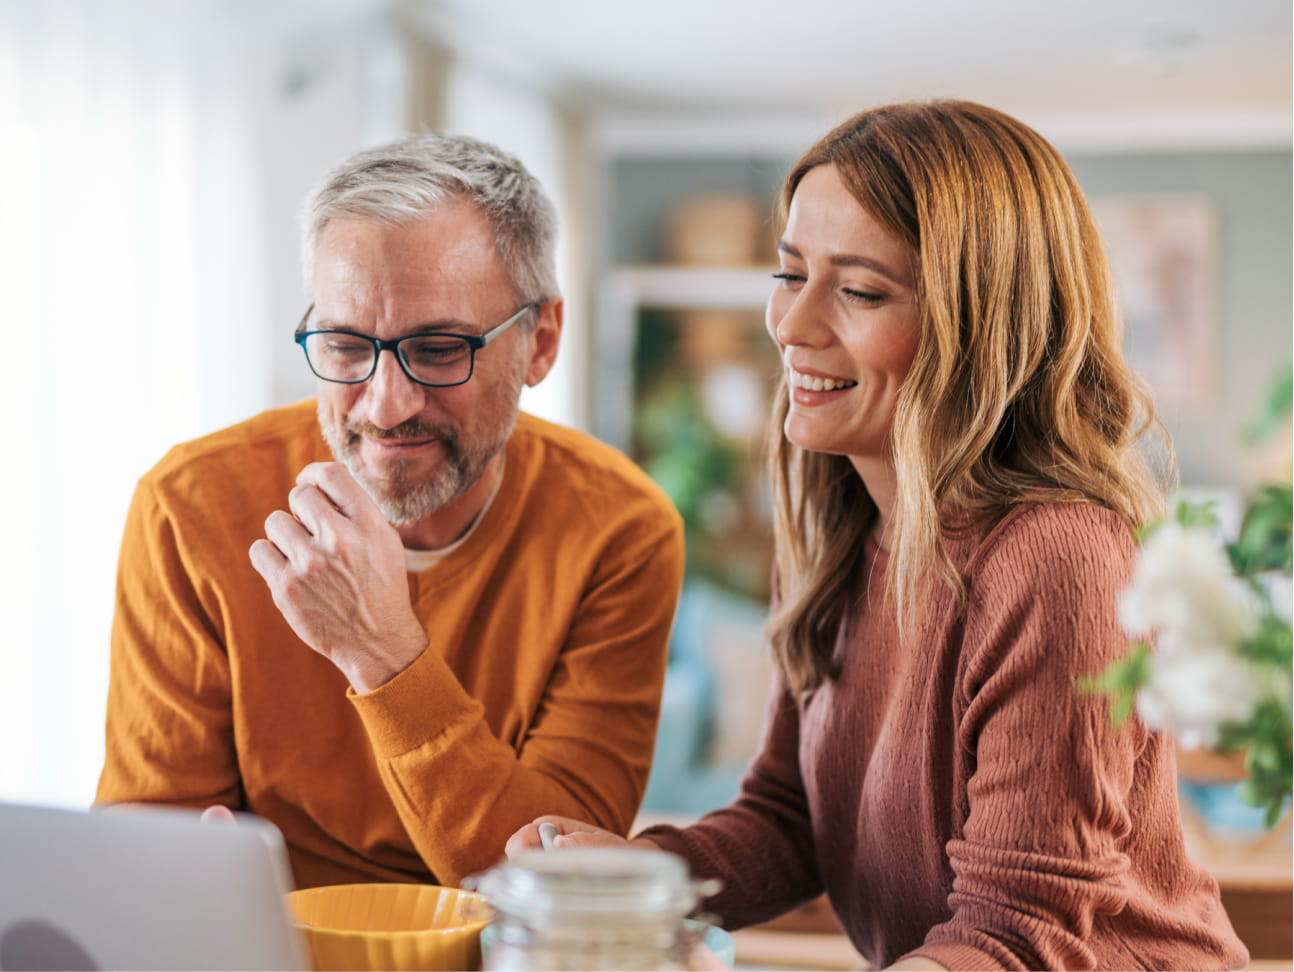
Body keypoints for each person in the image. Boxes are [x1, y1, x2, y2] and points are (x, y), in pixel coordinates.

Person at [507, 101, 1248, 971]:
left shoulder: (1057, 557)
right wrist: (643, 869)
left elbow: (1016, 936)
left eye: (858, 290)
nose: (792, 326)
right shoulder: (834, 532)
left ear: (981, 328)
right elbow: (790, 819)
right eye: (790, 275)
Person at [97, 134, 685, 890]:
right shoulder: (191, 506)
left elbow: (564, 885)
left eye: (439, 349)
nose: (387, 405)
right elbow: (148, 855)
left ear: (540, 342)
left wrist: (383, 653)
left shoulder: (618, 530)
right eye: (345, 345)